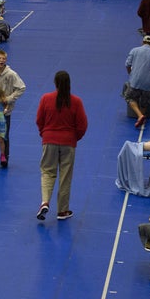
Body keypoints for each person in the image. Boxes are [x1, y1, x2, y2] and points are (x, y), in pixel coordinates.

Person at [35, 70, 88, 221]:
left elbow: (39, 119)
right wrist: (74, 138)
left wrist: (45, 134)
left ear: (55, 83)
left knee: (47, 172)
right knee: (65, 176)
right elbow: (82, 125)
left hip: (49, 140)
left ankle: (45, 202)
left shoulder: (46, 98)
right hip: (68, 142)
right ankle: (62, 211)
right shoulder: (76, 101)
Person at [124, 36, 150, 128]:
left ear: (142, 42)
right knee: (144, 102)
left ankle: (140, 116)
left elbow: (127, 64)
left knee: (129, 97)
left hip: (135, 81)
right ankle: (141, 119)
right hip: (148, 84)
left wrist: (131, 74)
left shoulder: (134, 50)